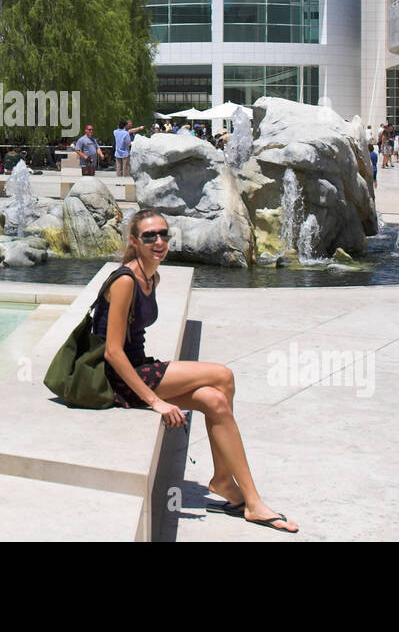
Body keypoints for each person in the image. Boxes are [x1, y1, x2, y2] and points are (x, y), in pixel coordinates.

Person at [95, 209, 297, 533]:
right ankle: (247, 497)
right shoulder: (125, 281)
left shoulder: (152, 275)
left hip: (141, 367)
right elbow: (113, 352)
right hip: (120, 378)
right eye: (149, 236)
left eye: (163, 234)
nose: (158, 241)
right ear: (134, 241)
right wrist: (156, 402)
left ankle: (226, 483)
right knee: (223, 376)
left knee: (215, 401)